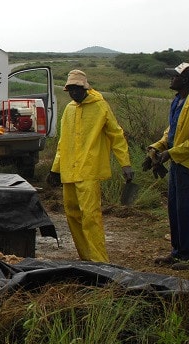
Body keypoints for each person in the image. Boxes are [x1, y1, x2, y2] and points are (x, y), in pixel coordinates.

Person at [47, 70, 133, 263]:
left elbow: (116, 135)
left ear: (85, 87)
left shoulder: (100, 106)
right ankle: (86, 258)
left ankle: (100, 261)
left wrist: (125, 163)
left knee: (91, 216)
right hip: (69, 170)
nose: (74, 93)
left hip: (89, 169)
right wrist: (55, 169)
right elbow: (63, 142)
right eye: (70, 89)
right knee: (72, 213)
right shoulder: (69, 109)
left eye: (77, 89)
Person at [147, 62, 189, 270]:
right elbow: (172, 132)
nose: (171, 79)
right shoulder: (178, 101)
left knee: (187, 209)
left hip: (188, 164)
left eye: (174, 76)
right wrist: (156, 148)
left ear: (184, 80)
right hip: (177, 163)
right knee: (175, 209)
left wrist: (171, 153)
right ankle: (178, 253)